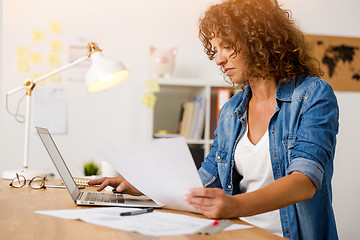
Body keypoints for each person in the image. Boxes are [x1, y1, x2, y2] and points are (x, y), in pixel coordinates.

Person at [89, 0, 339, 239]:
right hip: (239, 232)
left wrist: (233, 206)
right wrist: (145, 184)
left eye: (227, 47)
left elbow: (304, 182)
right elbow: (208, 177)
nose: (219, 59)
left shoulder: (313, 95)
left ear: (259, 40)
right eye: (216, 49)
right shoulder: (231, 110)